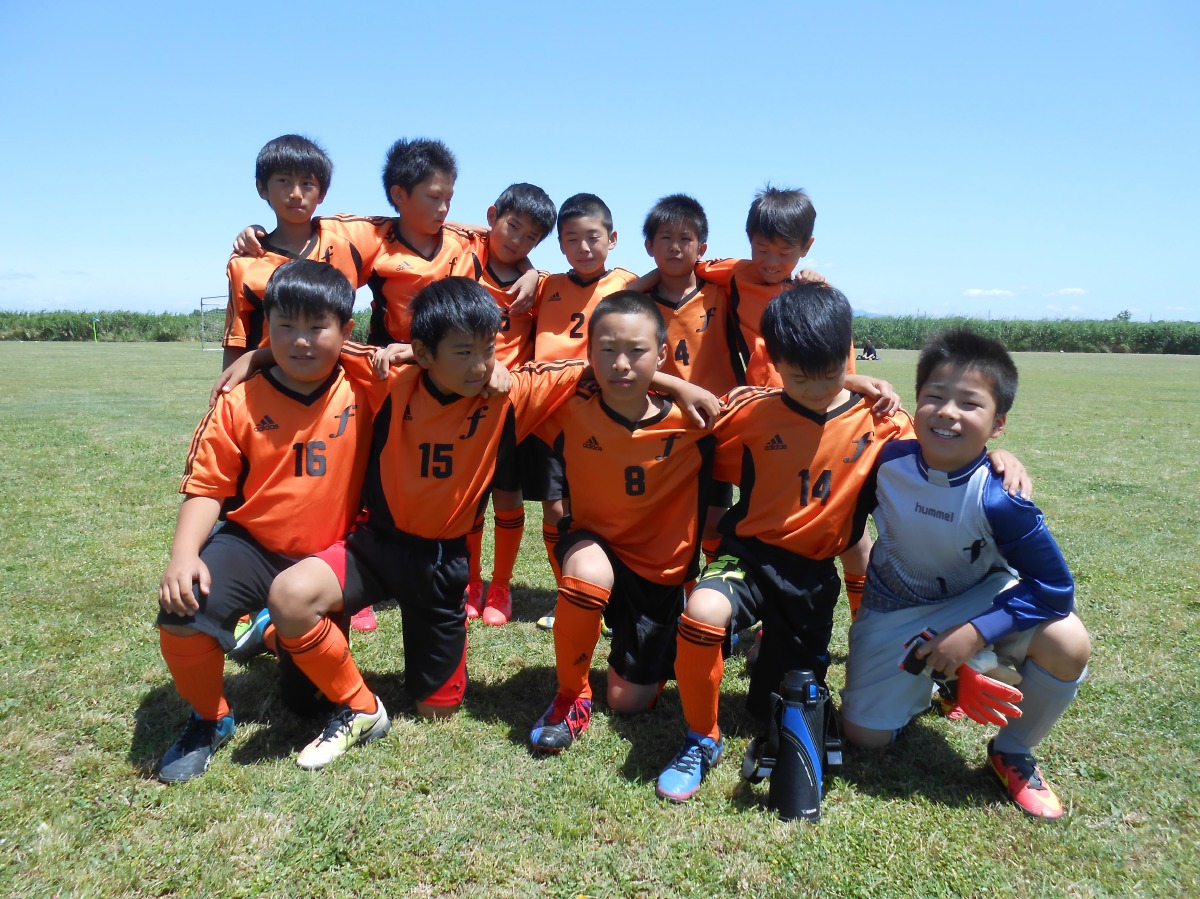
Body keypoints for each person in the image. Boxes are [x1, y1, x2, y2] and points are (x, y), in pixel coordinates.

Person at [260, 278, 717, 770]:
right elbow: (319, 344)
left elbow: (604, 365)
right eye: (464, 352)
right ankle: (358, 704)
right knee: (291, 605)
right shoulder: (390, 376)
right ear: (424, 352)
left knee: (438, 711)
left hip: (442, 563)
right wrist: (253, 359)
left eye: (488, 349)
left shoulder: (510, 391)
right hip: (375, 544)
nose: (481, 365)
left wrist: (677, 383)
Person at [659, 283, 1031, 802]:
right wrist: (668, 384)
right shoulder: (750, 410)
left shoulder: (882, 420)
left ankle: (911, 684)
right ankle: (702, 738)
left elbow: (945, 452)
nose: (815, 389)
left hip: (812, 575)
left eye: (830, 373)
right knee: (702, 611)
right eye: (798, 377)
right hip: (748, 555)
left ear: (848, 353)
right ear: (773, 361)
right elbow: (661, 415)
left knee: (784, 702)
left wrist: (998, 457)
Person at [840, 327, 1090, 820]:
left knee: (1068, 640)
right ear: (916, 402)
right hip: (894, 609)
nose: (948, 412)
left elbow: (1055, 589)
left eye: (970, 404)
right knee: (865, 738)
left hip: (977, 599)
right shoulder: (885, 461)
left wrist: (976, 632)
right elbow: (811, 391)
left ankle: (1012, 750)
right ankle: (947, 676)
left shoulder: (1002, 497)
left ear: (998, 424)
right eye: (935, 396)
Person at [156, 260, 373, 783]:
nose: (300, 341)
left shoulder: (368, 386)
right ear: (267, 329)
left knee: (306, 703)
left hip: (327, 556)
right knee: (185, 609)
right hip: (253, 543)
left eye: (316, 327)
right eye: (285, 326)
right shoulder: (239, 399)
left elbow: (429, 365)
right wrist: (183, 556)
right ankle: (210, 718)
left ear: (346, 330)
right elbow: (207, 486)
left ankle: (273, 630)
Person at [528, 291, 720, 753]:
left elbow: (782, 402)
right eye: (607, 350)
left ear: (662, 353)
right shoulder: (567, 409)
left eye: (637, 351)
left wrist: (851, 380)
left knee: (626, 702)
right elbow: (499, 377)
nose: (620, 364)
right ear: (589, 353)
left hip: (659, 573)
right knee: (586, 569)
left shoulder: (696, 420)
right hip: (596, 548)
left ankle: (662, 645)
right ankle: (571, 695)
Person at [511, 193, 638, 624]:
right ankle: (567, 593)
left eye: (593, 237)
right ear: (560, 244)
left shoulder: (630, 284)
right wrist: (532, 272)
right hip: (549, 416)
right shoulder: (546, 286)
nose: (583, 248)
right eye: (571, 239)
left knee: (603, 509)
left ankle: (609, 592)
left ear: (612, 239)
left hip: (603, 419)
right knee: (555, 509)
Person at [463, 183, 558, 626]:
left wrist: (533, 273)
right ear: (492, 216)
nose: (517, 241)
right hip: (460, 402)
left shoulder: (536, 288)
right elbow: (433, 226)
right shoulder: (461, 259)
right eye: (512, 227)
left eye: (530, 238)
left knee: (507, 494)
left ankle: (501, 585)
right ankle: (471, 582)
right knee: (469, 500)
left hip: (509, 405)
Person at [638, 194, 739, 565]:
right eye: (665, 238)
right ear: (649, 246)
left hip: (716, 422)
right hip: (663, 425)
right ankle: (680, 585)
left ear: (702, 248)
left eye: (685, 239)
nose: (675, 247)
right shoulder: (640, 304)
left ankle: (710, 587)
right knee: (669, 517)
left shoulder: (723, 294)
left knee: (713, 520)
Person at [221, 135, 374, 370]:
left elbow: (410, 223)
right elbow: (236, 340)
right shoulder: (246, 262)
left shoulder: (347, 241)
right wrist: (227, 387)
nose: (295, 193)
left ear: (322, 193)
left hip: (335, 382)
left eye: (307, 183)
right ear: (262, 188)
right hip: (268, 383)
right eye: (284, 180)